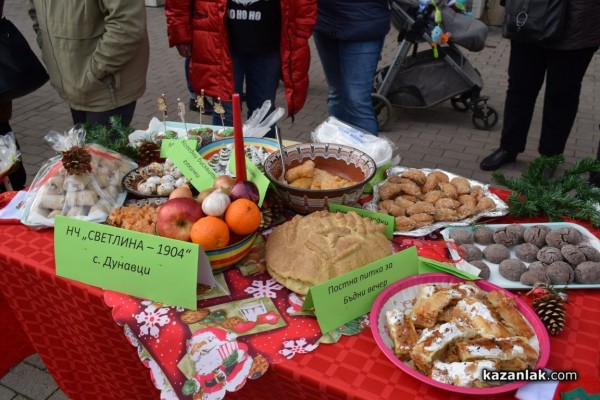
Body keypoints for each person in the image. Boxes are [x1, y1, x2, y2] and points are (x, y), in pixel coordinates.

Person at [165, 0, 317, 138]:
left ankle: (265, 162)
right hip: (220, 43)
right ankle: (223, 161)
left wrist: (301, 29)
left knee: (263, 113)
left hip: (269, 43)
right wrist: (179, 31)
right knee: (225, 114)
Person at [480, 0, 600, 174]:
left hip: (576, 27)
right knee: (519, 90)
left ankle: (550, 157)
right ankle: (508, 147)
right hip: (530, 18)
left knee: (561, 97)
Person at [28, 0, 149, 129]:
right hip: (74, 82)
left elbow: (127, 24)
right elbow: (36, 14)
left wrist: (96, 72)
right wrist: (47, 49)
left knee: (102, 148)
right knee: (83, 145)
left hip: (105, 88)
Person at [312, 0, 391, 136]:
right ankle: (339, 150)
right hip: (324, 21)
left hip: (363, 22)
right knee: (336, 93)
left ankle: (368, 155)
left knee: (357, 101)